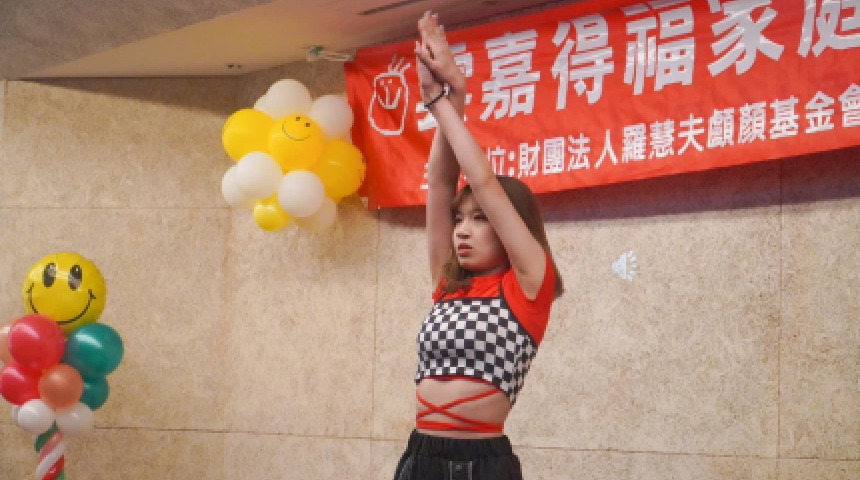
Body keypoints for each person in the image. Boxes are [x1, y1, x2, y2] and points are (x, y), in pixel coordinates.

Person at [391, 11, 565, 480]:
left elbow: (483, 182)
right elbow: (440, 183)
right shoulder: (447, 283)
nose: (462, 231)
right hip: (421, 457)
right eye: (459, 220)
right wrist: (454, 99)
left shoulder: (529, 285)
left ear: (512, 227)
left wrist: (440, 103)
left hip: (481, 463)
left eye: (481, 219)